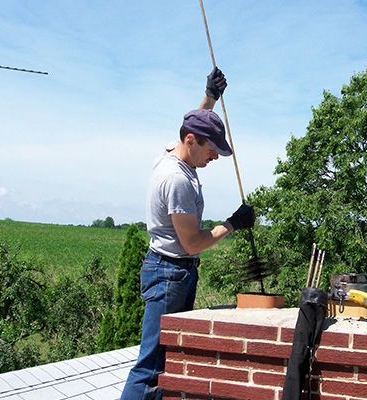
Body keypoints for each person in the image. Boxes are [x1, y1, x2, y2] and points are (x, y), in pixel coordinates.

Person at [120, 67, 255, 400]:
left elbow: (193, 125)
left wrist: (210, 96)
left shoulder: (172, 152)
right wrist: (233, 223)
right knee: (152, 366)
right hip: (170, 275)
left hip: (169, 270)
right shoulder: (177, 181)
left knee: (162, 359)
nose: (215, 157)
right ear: (192, 142)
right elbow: (193, 242)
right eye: (212, 151)